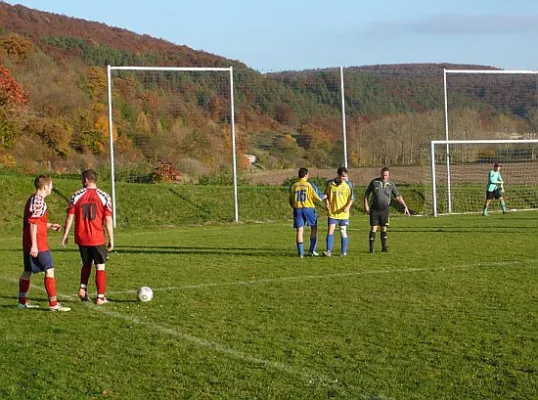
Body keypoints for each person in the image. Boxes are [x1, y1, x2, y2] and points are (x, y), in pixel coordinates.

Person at [61, 169, 114, 305]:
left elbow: (70, 216)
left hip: (82, 237)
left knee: (86, 263)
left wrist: (65, 235)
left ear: (85, 180)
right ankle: (101, 297)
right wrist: (111, 239)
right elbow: (108, 220)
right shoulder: (105, 196)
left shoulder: (76, 195)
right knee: (100, 267)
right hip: (97, 238)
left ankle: (83, 288)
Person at [19, 175, 71, 311]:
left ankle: (22, 302)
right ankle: (53, 304)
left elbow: (36, 221)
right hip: (38, 242)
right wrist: (35, 245)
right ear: (45, 187)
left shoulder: (32, 199)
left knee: (27, 271)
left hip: (28, 241)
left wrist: (49, 225)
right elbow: (32, 224)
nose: (52, 188)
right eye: (51, 185)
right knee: (49, 269)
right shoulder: (39, 201)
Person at [364, 167, 410, 253]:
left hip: (385, 210)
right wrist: (366, 205)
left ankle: (384, 247)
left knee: (384, 228)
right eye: (384, 175)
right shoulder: (374, 182)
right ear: (381, 174)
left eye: (387, 175)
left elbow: (398, 196)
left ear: (388, 175)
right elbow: (366, 193)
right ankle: (371, 249)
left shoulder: (391, 184)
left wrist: (405, 206)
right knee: (373, 228)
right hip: (374, 209)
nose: (385, 176)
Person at [289, 167, 326, 257]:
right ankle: (311, 251)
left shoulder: (294, 185)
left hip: (298, 209)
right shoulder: (308, 185)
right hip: (308, 209)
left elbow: (290, 199)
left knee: (299, 231)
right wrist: (325, 196)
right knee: (314, 228)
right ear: (306, 175)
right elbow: (317, 197)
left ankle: (301, 253)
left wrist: (294, 206)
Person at [323, 166, 354, 257]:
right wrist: (327, 203)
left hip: (343, 214)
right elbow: (325, 195)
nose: (344, 178)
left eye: (345, 176)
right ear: (338, 175)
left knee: (342, 232)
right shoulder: (330, 183)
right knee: (330, 232)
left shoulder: (348, 185)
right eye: (343, 176)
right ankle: (328, 251)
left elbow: (351, 198)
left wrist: (347, 207)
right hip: (332, 213)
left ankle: (343, 252)